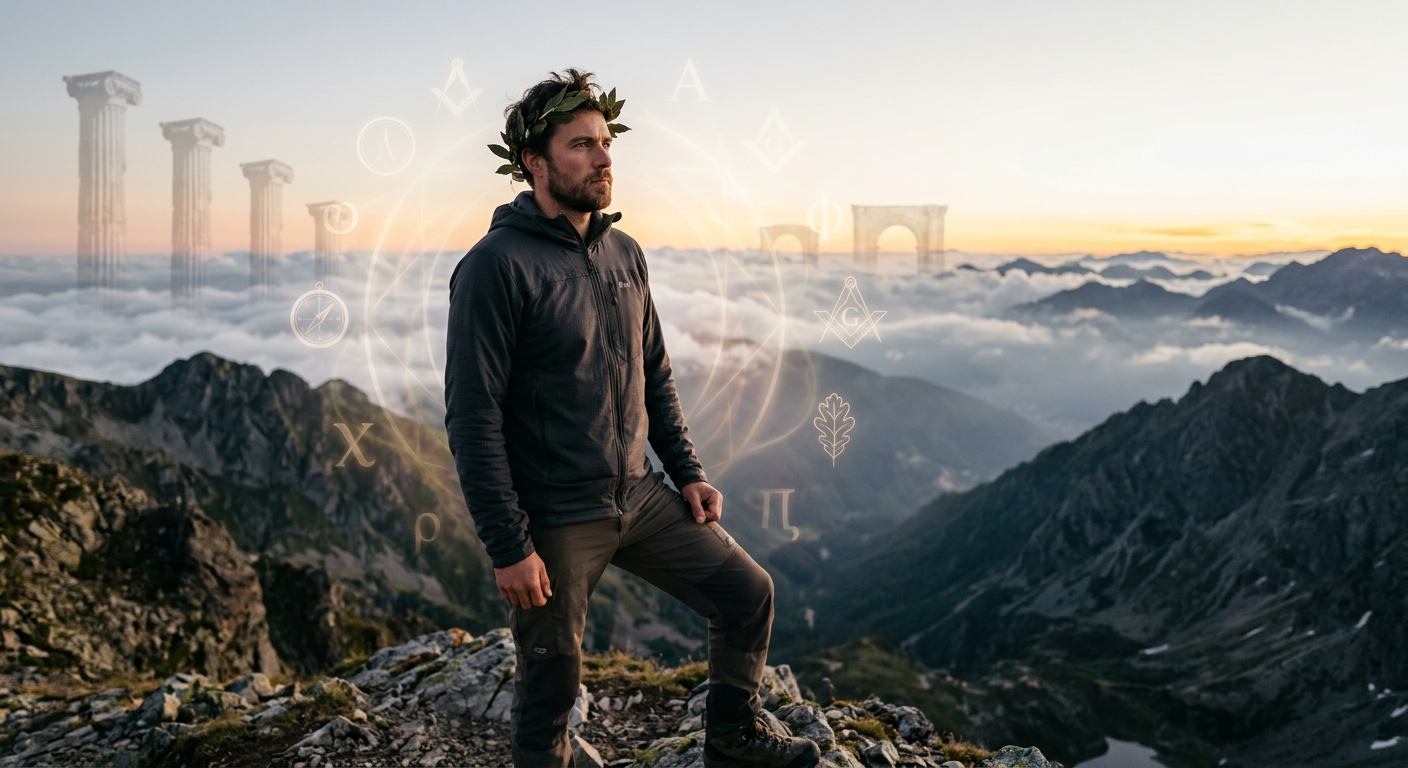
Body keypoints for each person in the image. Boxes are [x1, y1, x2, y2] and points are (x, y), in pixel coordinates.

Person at [444, 68, 821, 768]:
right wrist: (507, 546)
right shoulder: (495, 267)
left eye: (607, 142)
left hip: (641, 494)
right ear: (534, 161)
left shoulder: (626, 254)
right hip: (556, 516)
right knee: (550, 692)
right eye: (582, 144)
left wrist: (687, 472)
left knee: (748, 595)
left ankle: (734, 743)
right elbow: (472, 417)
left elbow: (654, 373)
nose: (604, 157)